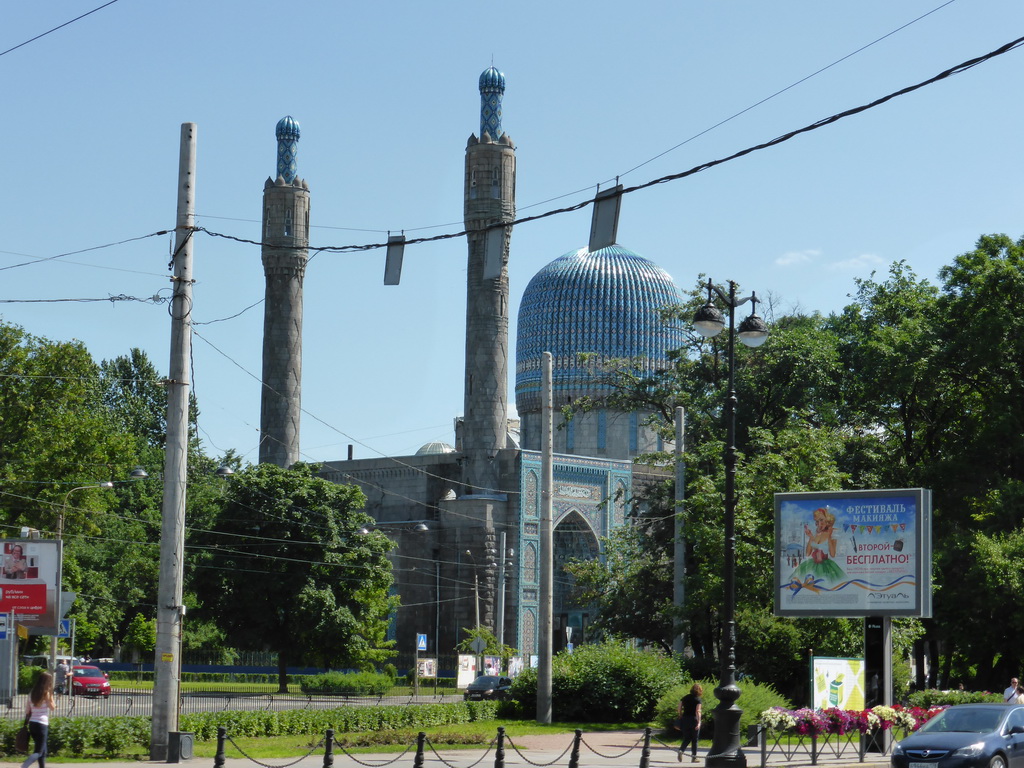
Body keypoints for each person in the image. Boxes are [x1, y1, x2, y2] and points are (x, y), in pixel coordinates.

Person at [791, 507, 846, 585]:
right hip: (812, 565)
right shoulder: (815, 533)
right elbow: (808, 553)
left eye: (821, 520)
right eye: (817, 521)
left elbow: (833, 554)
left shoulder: (832, 533)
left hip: (826, 567)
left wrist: (829, 537)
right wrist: (810, 537)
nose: (819, 523)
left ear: (827, 520)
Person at [22, 671, 56, 768]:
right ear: (48, 682)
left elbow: (27, 711)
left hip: (32, 723)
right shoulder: (46, 693)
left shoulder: (32, 693)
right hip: (42, 724)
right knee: (38, 752)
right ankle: (24, 766)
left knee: (43, 750)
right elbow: (52, 708)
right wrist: (52, 698)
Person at [677, 683, 702, 762]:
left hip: (685, 719)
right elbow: (698, 711)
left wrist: (680, 715)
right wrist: (699, 722)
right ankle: (694, 757)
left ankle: (681, 750)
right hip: (694, 720)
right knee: (695, 740)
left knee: (687, 738)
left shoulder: (685, 698)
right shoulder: (698, 699)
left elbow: (679, 708)